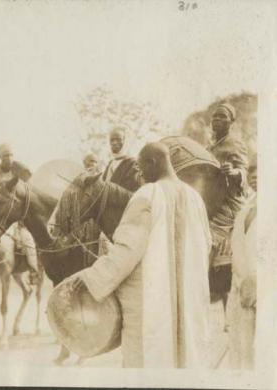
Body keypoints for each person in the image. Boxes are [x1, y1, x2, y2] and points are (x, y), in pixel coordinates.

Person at [68, 142, 211, 368]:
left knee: (147, 368)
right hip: (190, 304)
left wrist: (89, 279)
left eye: (140, 167)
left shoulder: (147, 195)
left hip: (149, 306)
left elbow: (126, 251)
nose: (139, 174)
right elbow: (206, 247)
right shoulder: (195, 198)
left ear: (152, 162)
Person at [207, 103, 248, 313]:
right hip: (212, 202)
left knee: (207, 240)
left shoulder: (235, 144)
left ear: (231, 122)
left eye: (222, 117)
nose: (216, 121)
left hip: (228, 204)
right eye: (214, 117)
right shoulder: (209, 148)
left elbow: (244, 170)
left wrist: (234, 172)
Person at [0, 143, 38, 273]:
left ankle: (33, 267)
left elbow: (30, 185)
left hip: (17, 208)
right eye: (5, 156)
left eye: (10, 155)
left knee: (27, 237)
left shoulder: (20, 169)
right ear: (0, 157)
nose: (8, 158)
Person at [227, 155, 257, 369]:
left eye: (261, 170)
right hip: (240, 291)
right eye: (252, 170)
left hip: (264, 292)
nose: (255, 175)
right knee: (242, 352)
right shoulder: (246, 207)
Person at [101, 126, 142, 192]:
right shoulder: (110, 164)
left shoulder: (133, 164)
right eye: (112, 140)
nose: (114, 143)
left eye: (118, 139)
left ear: (125, 141)